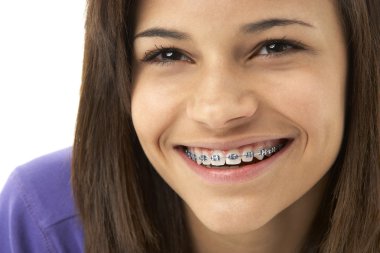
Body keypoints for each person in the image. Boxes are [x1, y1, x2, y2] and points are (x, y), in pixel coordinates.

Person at [1, 0, 379, 252]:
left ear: (360, 61)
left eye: (275, 47)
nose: (217, 110)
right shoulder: (46, 220)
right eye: (168, 54)